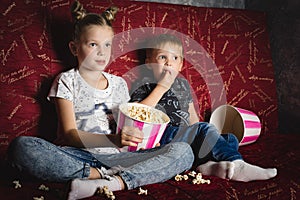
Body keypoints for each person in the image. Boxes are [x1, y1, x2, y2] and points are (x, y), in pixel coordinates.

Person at [7, 2, 194, 200]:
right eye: (93, 44)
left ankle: (115, 182)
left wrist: (135, 139)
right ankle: (98, 175)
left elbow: (130, 121)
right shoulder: (67, 81)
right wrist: (113, 139)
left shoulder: (119, 84)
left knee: (184, 151)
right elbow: (68, 134)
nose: (102, 52)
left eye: (107, 45)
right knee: (22, 147)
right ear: (74, 47)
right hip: (76, 155)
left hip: (118, 156)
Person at [130, 33, 277, 182]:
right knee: (205, 130)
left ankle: (208, 166)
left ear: (180, 65)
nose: (169, 63)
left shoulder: (183, 85)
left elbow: (192, 116)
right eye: (162, 57)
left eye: (175, 58)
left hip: (185, 135)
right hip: (162, 135)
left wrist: (202, 134)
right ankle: (237, 164)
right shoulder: (144, 84)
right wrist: (161, 87)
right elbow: (135, 113)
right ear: (148, 63)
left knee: (229, 138)